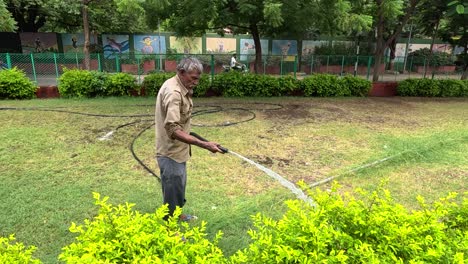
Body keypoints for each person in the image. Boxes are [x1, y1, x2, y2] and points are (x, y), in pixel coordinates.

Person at [155, 57, 224, 221]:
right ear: (181, 72)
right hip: (170, 152)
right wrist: (204, 144)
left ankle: (178, 215)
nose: (196, 82)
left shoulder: (180, 85)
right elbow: (173, 129)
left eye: (198, 78)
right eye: (193, 78)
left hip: (179, 150)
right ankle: (170, 231)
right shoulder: (174, 93)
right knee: (172, 190)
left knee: (178, 187)